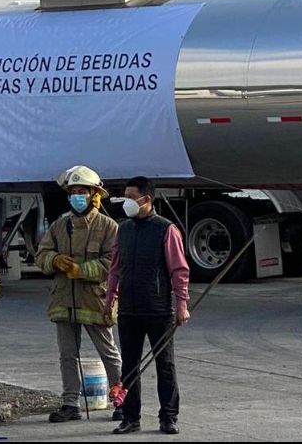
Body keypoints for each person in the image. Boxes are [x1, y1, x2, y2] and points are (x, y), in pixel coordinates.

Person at [35, 166, 123, 423]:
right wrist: (54, 260)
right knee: (67, 355)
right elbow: (41, 254)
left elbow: (113, 263)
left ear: (94, 195)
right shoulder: (59, 225)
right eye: (73, 192)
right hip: (64, 299)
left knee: (108, 352)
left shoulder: (108, 227)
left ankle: (121, 400)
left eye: (82, 191)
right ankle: (70, 404)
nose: (76, 196)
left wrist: (81, 270)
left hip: (95, 300)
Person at [105, 176, 191, 435]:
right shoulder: (123, 230)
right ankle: (130, 417)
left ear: (147, 199)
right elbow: (115, 269)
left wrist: (182, 304)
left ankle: (168, 417)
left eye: (132, 197)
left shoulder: (166, 229)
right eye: (126, 197)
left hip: (158, 309)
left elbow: (179, 270)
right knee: (129, 366)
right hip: (128, 309)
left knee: (165, 365)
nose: (127, 202)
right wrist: (109, 301)